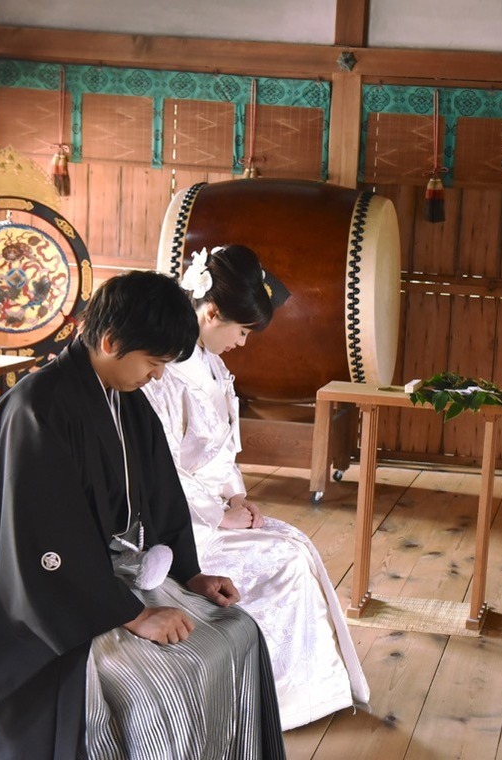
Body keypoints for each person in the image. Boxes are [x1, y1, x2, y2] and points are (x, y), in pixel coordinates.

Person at [0, 270, 287, 760]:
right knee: (165, 685)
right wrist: (132, 615)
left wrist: (190, 575)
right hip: (43, 607)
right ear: (109, 341)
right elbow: (43, 543)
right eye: (153, 361)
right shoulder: (36, 410)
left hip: (107, 581)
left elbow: (164, 497)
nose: (159, 375)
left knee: (239, 634)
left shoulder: (127, 399)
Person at [142, 244, 370, 730]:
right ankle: (263, 704)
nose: (243, 343)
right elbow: (156, 467)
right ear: (211, 312)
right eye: (241, 331)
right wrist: (215, 512)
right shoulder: (163, 373)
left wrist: (237, 495)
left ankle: (294, 695)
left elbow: (222, 449)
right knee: (283, 559)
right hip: (177, 523)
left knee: (296, 545)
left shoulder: (212, 365)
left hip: (210, 507)